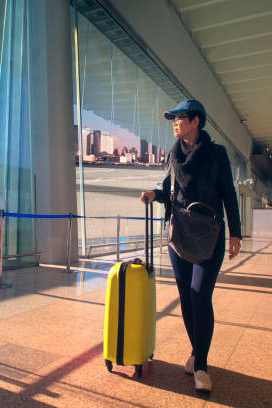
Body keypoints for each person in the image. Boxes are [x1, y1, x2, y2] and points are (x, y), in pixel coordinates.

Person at [140, 99, 241, 392]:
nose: (174, 122)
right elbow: (169, 192)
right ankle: (198, 352)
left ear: (196, 121)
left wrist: (235, 232)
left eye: (179, 117)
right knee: (186, 297)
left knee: (200, 295)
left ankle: (201, 367)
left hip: (209, 236)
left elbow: (229, 194)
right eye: (172, 118)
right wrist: (154, 194)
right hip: (179, 235)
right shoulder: (173, 155)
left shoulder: (217, 154)